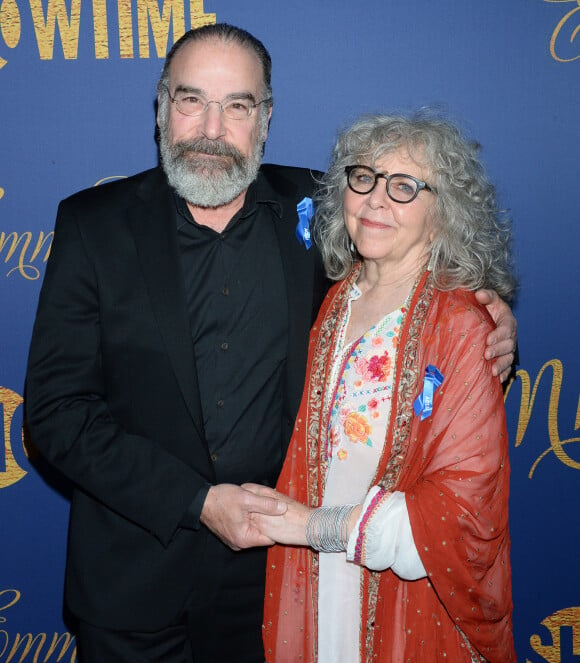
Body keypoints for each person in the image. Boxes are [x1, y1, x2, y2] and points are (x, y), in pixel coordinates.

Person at [25, 24, 516, 663]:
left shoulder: (325, 209)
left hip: (277, 586)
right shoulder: (93, 225)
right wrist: (196, 501)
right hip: (130, 587)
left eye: (238, 105)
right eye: (190, 99)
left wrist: (488, 309)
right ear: (160, 106)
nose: (211, 128)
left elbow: (408, 271)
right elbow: (57, 414)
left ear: (266, 117)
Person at [248, 113, 516, 662]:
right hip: (322, 590)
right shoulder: (332, 298)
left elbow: (464, 515)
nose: (374, 200)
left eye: (404, 187)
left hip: (406, 596)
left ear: (444, 216)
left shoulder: (462, 325)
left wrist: (311, 527)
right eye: (364, 177)